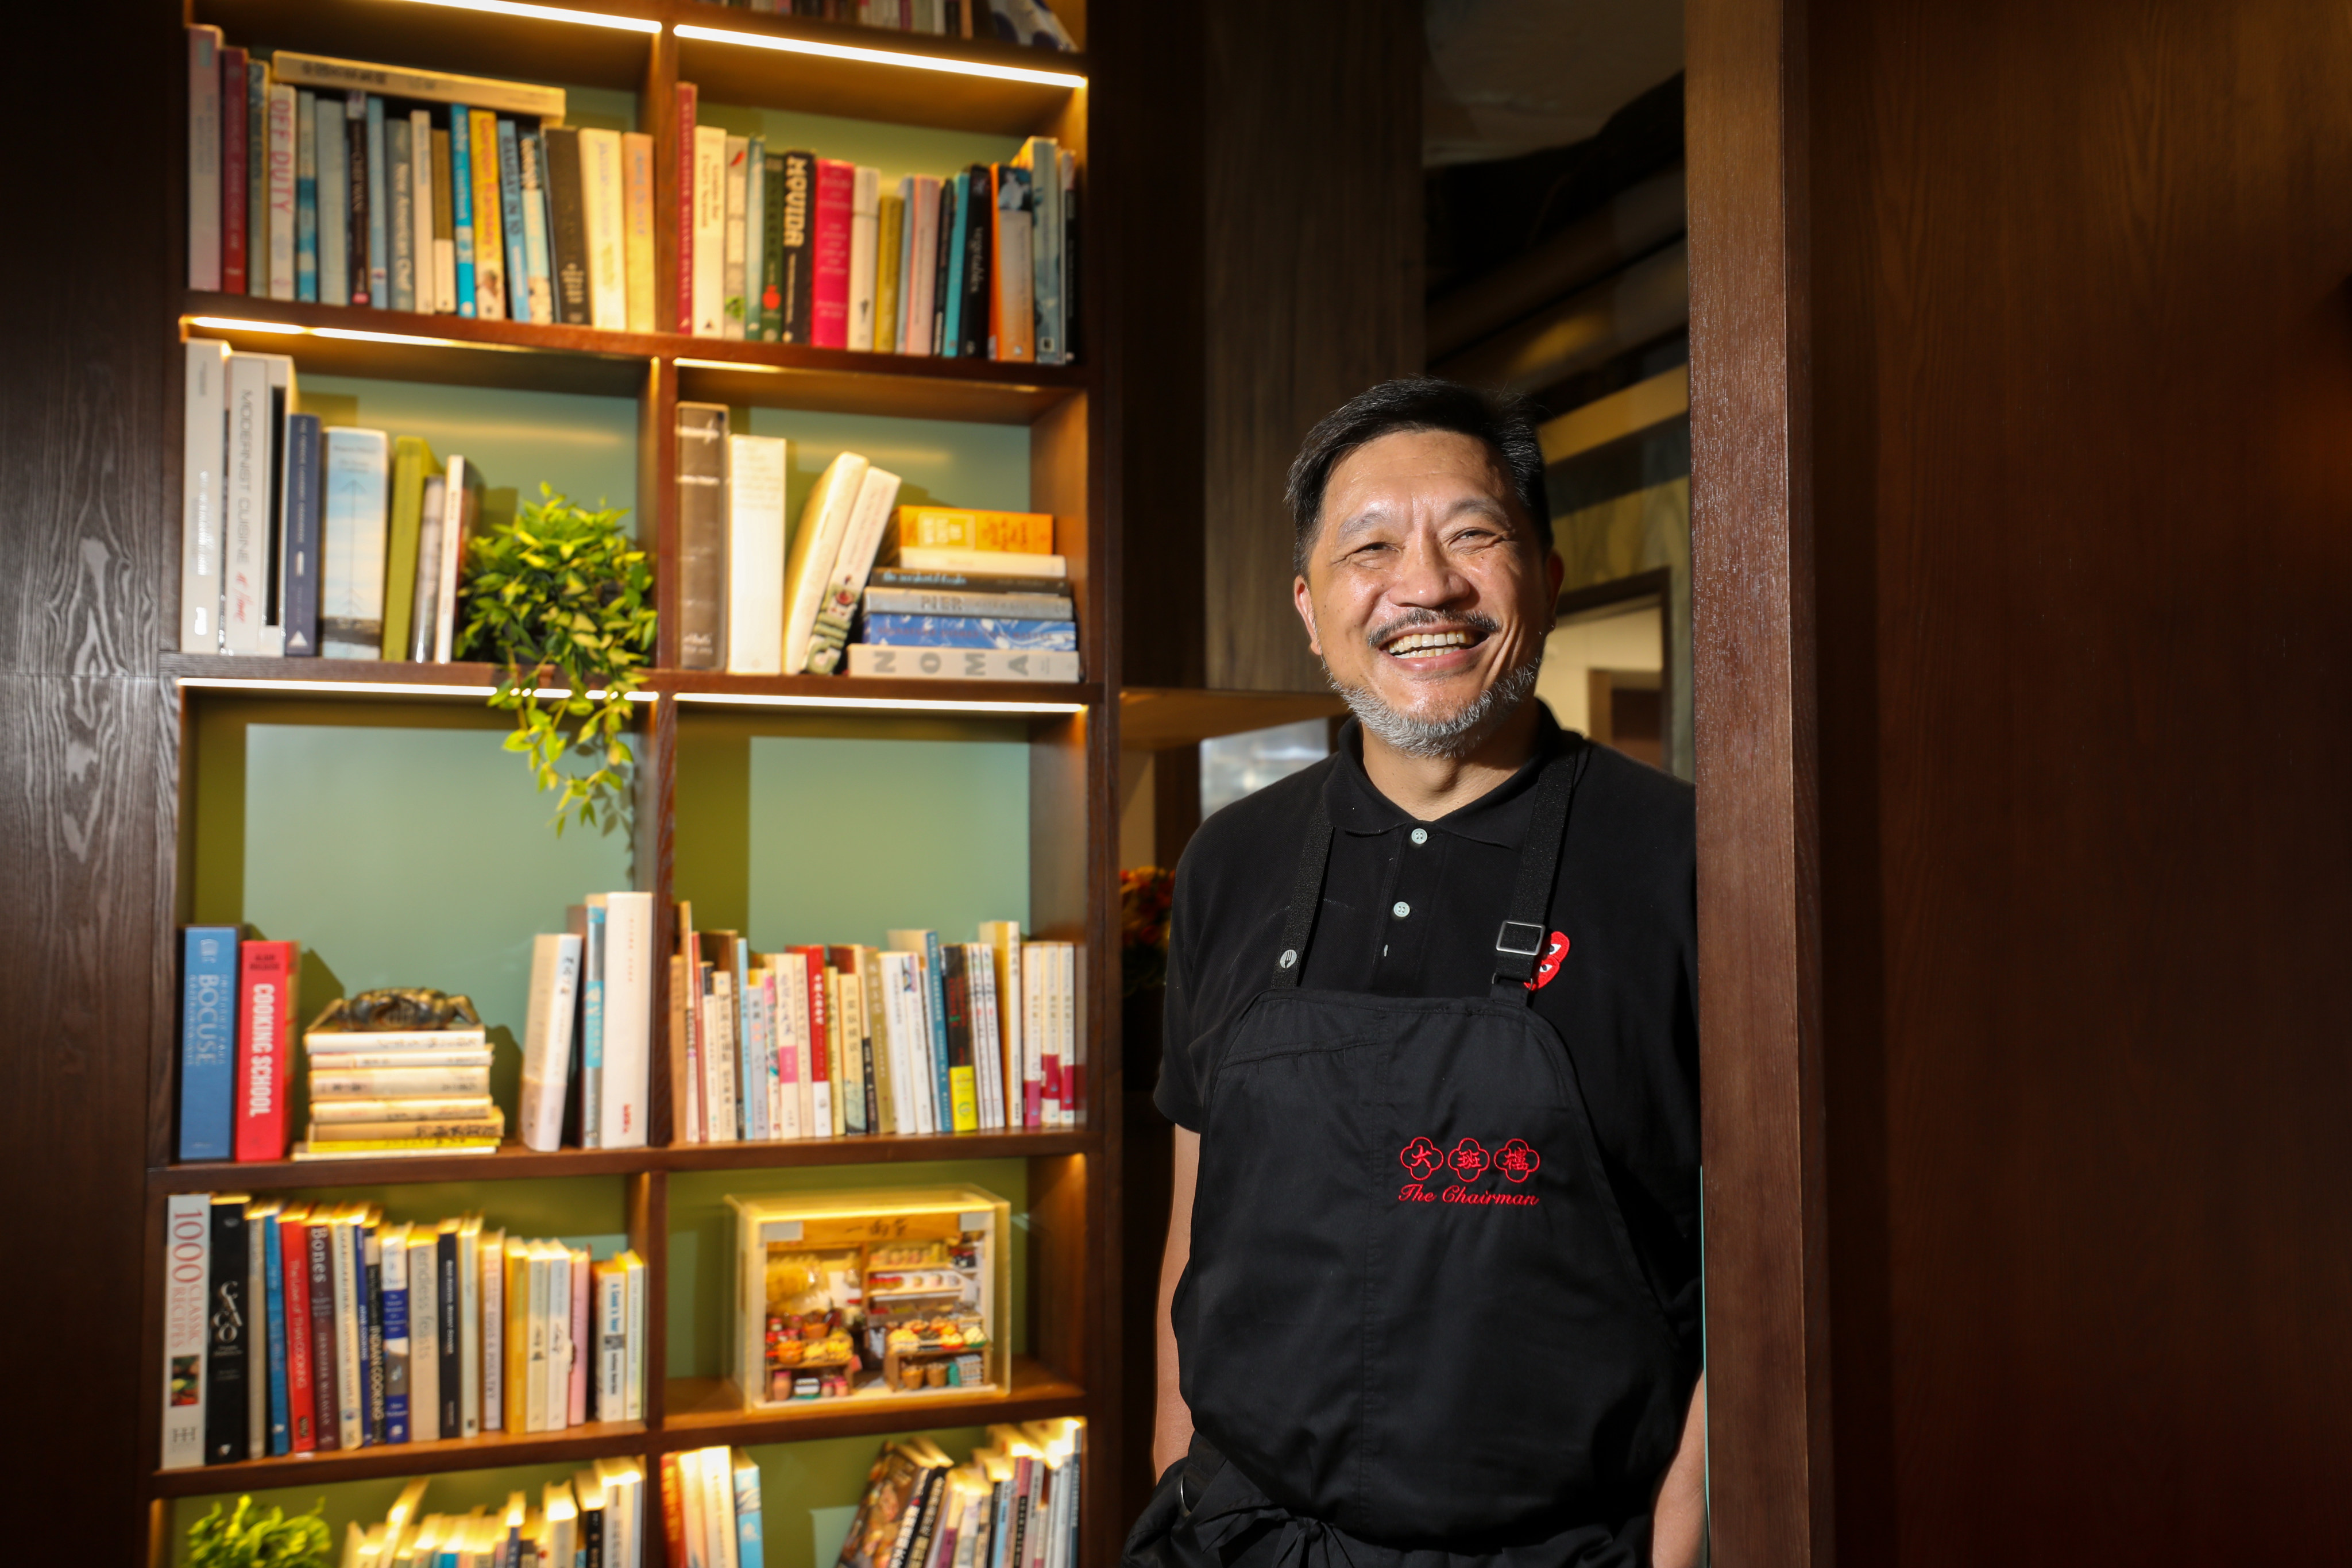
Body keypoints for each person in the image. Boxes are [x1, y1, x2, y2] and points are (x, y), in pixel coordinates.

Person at [1127, 379, 1706, 1568]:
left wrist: (1683, 1546)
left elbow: (1760, 1269)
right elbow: (1200, 1223)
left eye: (1472, 534)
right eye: (1369, 546)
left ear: (1544, 576)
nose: (1424, 585)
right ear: (1309, 605)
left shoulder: (1688, 859)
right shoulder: (1229, 859)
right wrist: (1178, 1462)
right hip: (1245, 1542)